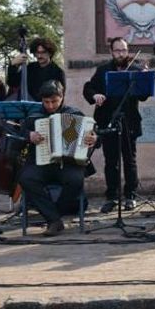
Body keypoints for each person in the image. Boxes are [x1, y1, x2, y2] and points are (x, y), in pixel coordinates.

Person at [18, 80, 97, 236]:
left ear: (62, 97)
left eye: (54, 101)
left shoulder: (75, 114)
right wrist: (29, 135)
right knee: (26, 178)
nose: (50, 106)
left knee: (75, 180)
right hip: (41, 163)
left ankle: (53, 217)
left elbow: (93, 136)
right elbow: (19, 135)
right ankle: (54, 220)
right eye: (46, 102)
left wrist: (94, 139)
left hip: (69, 163)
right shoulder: (34, 117)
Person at [83, 37, 150, 212]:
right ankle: (112, 197)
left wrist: (144, 79)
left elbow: (143, 96)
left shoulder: (136, 70)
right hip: (107, 120)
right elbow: (88, 88)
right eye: (117, 50)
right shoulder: (103, 70)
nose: (121, 53)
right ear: (111, 52)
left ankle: (130, 196)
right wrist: (95, 96)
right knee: (111, 161)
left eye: (124, 50)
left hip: (130, 121)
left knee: (130, 161)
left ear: (128, 51)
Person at [7, 37, 66, 102]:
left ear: (50, 53)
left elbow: (60, 97)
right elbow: (12, 83)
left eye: (43, 52)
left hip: (47, 109)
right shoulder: (30, 68)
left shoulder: (58, 72)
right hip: (28, 107)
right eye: (37, 52)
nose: (39, 56)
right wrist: (13, 65)